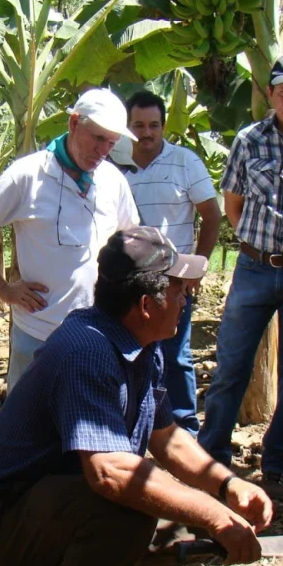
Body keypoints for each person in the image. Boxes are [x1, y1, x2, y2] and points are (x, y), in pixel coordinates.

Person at [0, 226, 272, 566]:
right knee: (127, 515)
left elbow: (167, 437)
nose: (187, 297)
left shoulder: (140, 343)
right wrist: (215, 515)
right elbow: (109, 474)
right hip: (6, 517)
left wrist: (227, 487)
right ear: (146, 304)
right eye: (179, 288)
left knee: (174, 523)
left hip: (54, 502)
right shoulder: (87, 350)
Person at [0, 88, 139, 390]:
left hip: (98, 331)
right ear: (74, 123)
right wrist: (2, 288)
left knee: (82, 425)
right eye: (97, 138)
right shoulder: (28, 176)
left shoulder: (112, 179)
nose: (103, 150)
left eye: (111, 142)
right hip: (39, 332)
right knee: (25, 428)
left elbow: (130, 239)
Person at [198, 54, 283, 499]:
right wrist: (255, 245)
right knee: (231, 368)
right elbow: (233, 204)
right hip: (253, 267)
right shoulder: (249, 140)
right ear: (269, 93)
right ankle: (211, 461)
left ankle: (277, 465)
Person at [110, 90, 221, 436]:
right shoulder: (112, 164)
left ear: (164, 126)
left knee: (175, 355)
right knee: (129, 354)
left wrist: (197, 266)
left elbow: (212, 215)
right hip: (127, 282)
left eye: (153, 125)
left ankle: (184, 429)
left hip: (175, 278)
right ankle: (135, 426)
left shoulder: (185, 162)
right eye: (138, 126)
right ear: (127, 127)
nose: (146, 133)